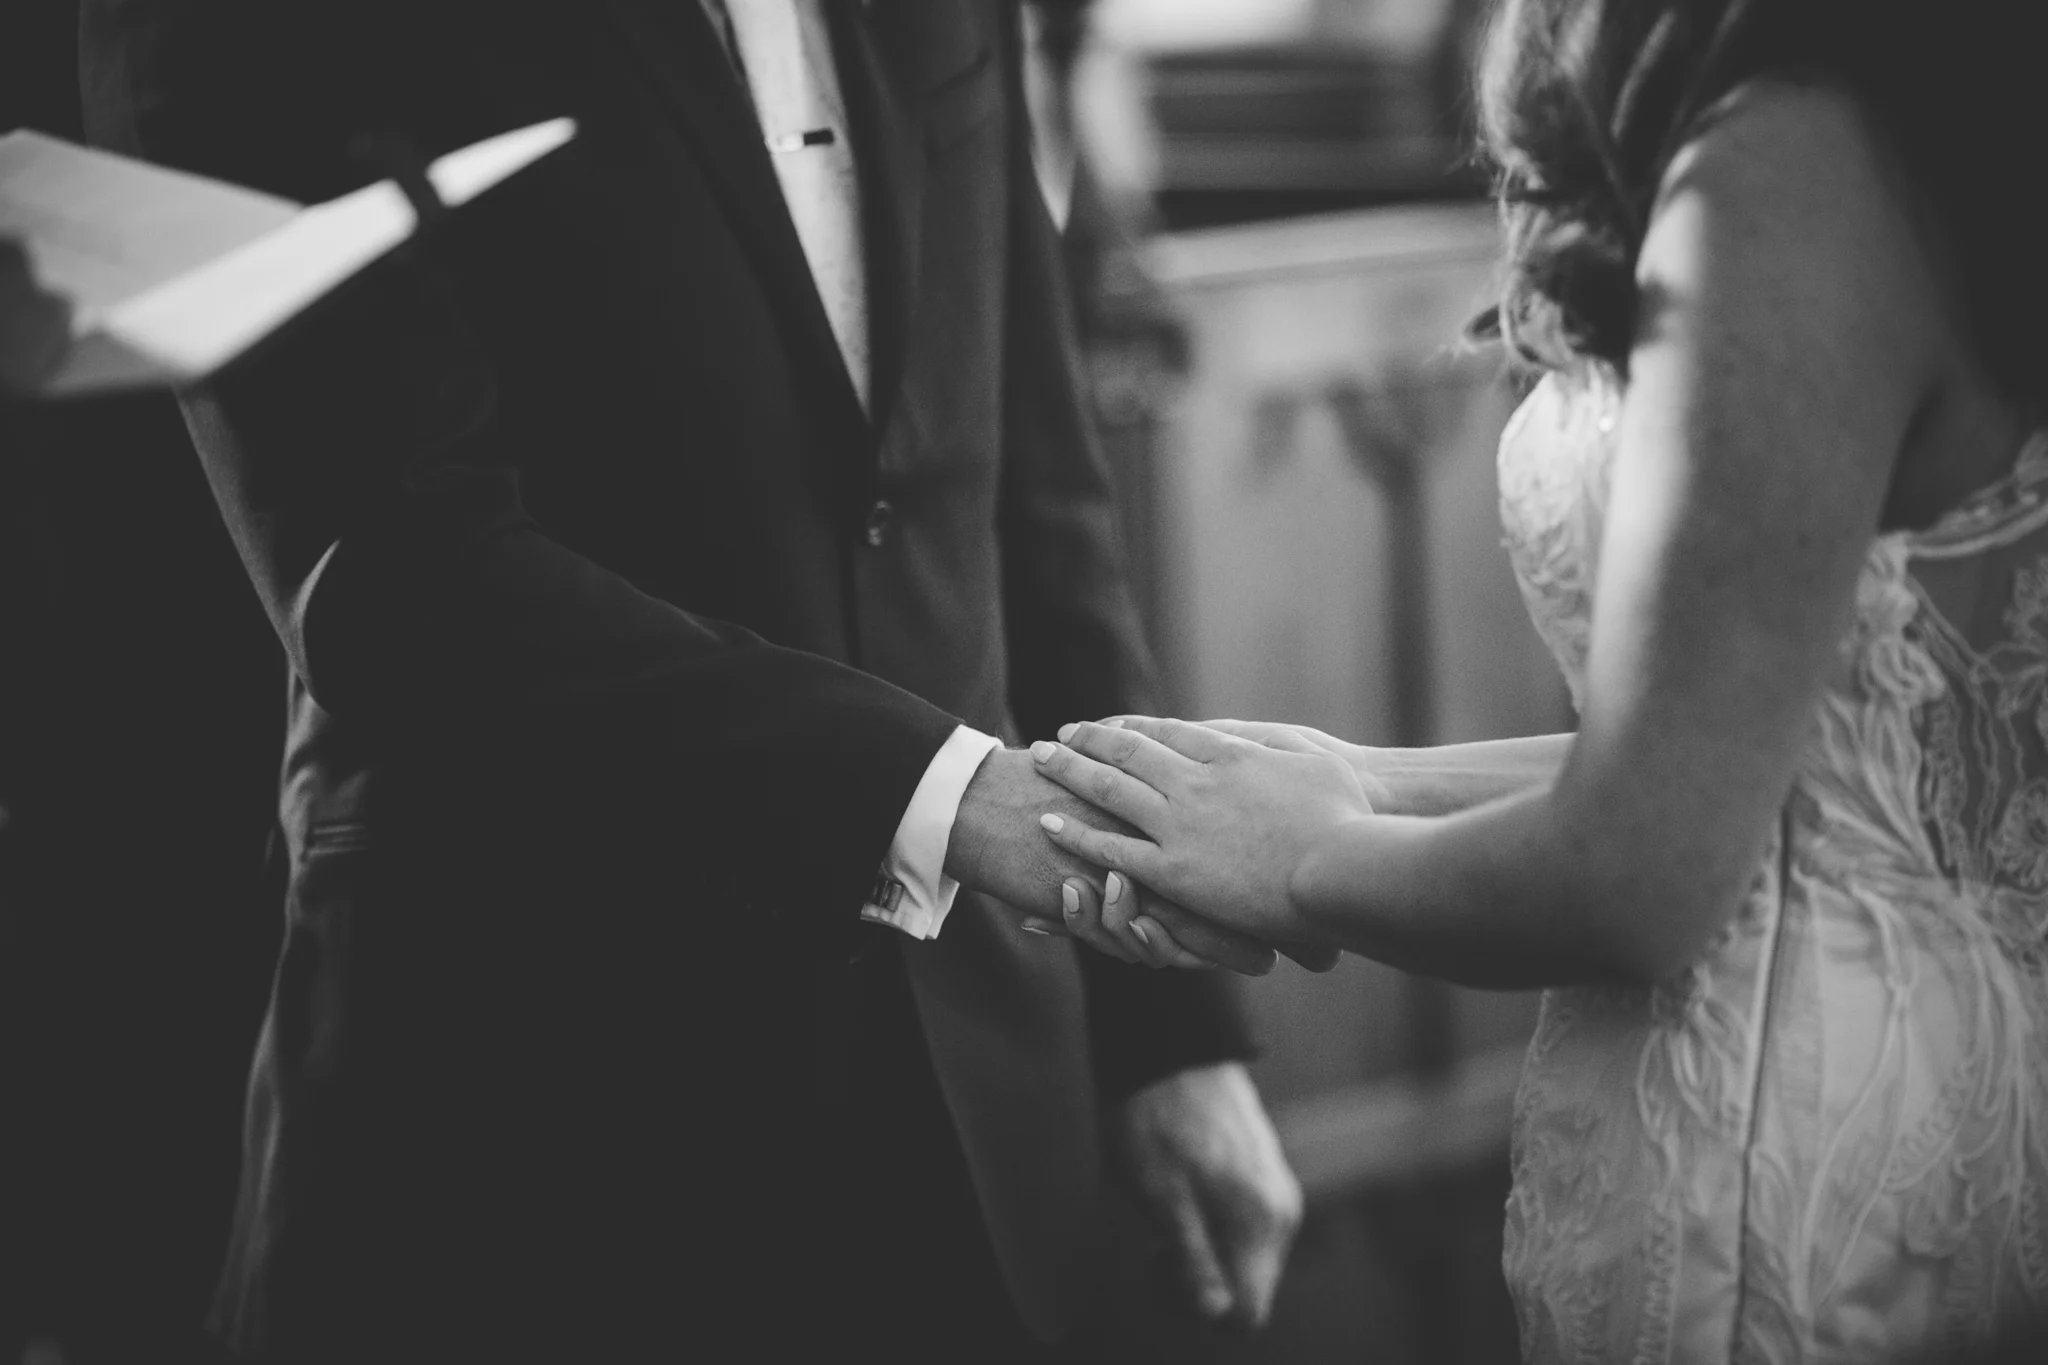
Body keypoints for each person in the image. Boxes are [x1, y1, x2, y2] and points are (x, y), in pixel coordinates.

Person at [77, 1, 1303, 1359]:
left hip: (986, 1106)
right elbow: (392, 581)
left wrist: (1165, 1034)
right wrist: (943, 798)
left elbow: (1033, 485)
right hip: (528, 1115)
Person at [1028, 0, 2048, 1359]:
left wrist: (1306, 859)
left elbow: (1642, 872)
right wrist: (1358, 782)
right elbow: (1779, 765)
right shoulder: (1925, 124)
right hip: (1941, 1077)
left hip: (1809, 1157)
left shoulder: (1787, 167)